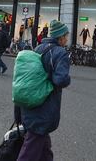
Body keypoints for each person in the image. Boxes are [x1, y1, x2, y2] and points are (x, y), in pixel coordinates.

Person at [16, 20, 71, 161]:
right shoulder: (60, 53)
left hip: (31, 102)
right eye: (66, 36)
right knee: (30, 150)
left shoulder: (38, 48)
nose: (67, 39)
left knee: (43, 145)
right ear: (61, 37)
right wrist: (67, 79)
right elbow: (61, 80)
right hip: (45, 108)